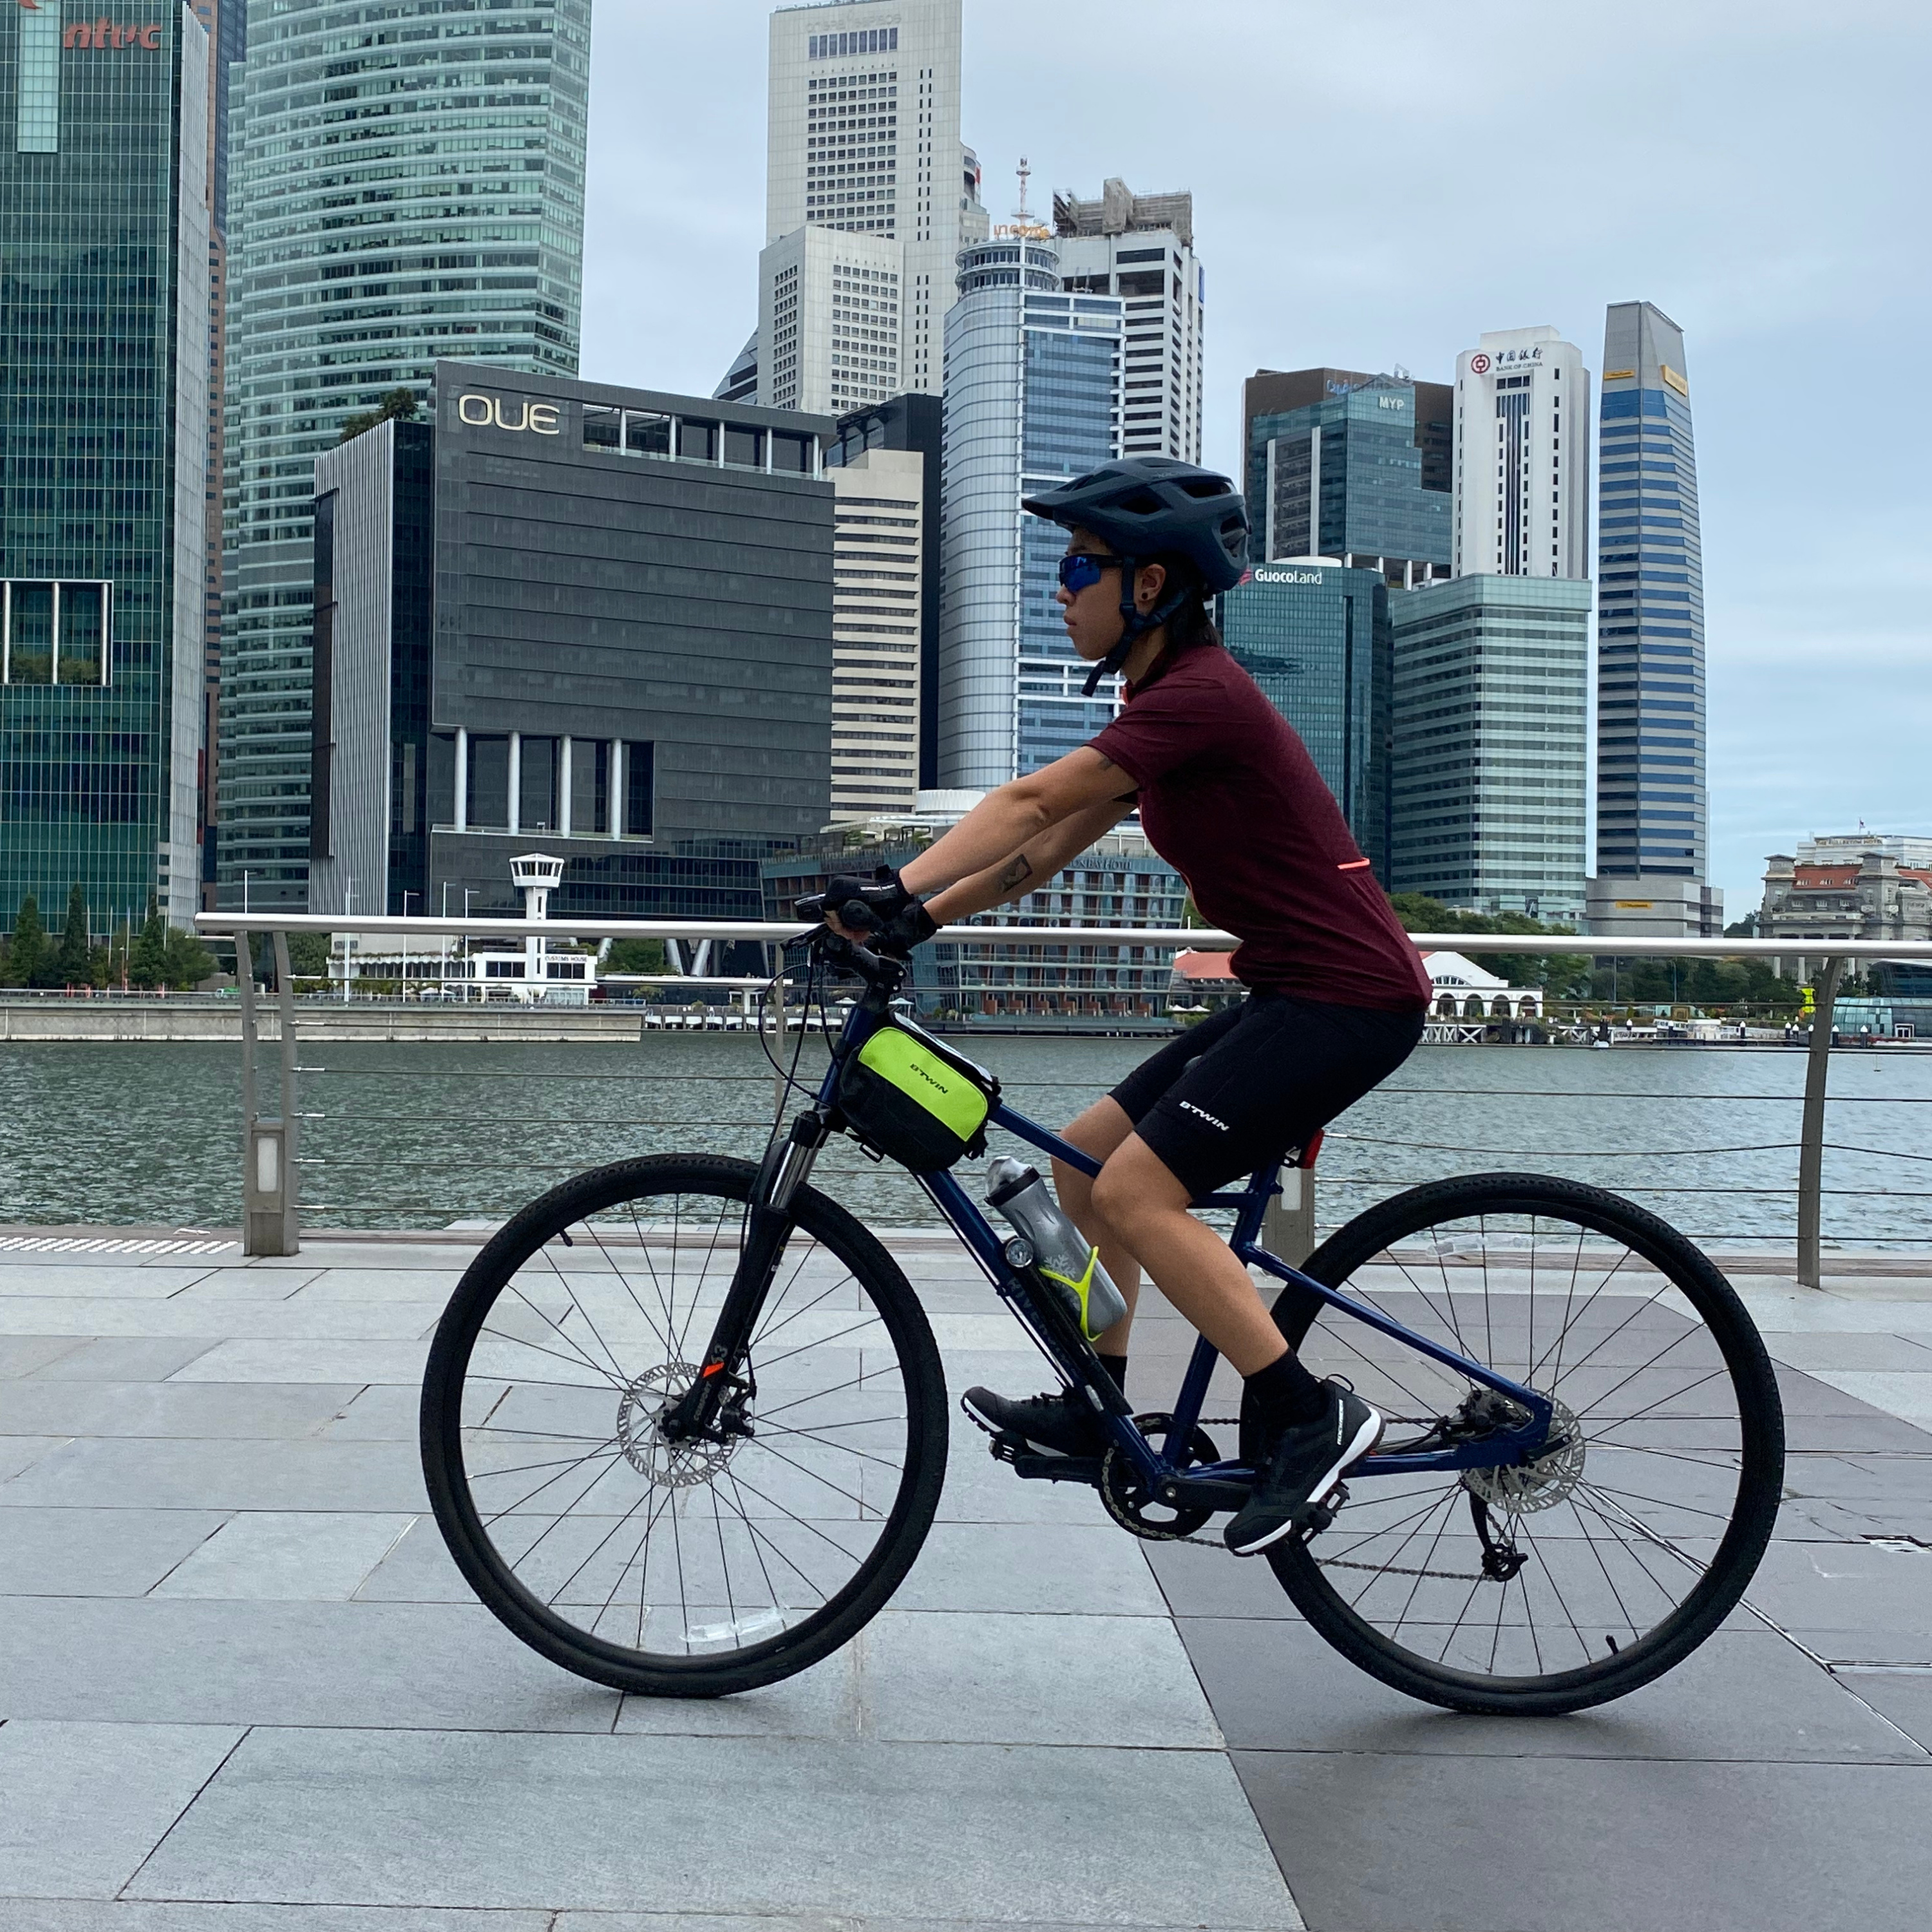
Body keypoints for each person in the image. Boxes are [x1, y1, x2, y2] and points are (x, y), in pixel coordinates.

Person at [817, 457, 1431, 1556]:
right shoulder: (1164, 707)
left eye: (1077, 568)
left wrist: (897, 881)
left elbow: (1029, 798)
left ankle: (1306, 1412)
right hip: (1293, 988)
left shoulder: (1199, 698)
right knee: (1087, 1163)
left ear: (1149, 588)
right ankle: (1099, 1400)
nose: (1059, 589)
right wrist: (921, 920)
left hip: (1351, 997)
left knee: (1144, 1195)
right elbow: (1047, 846)